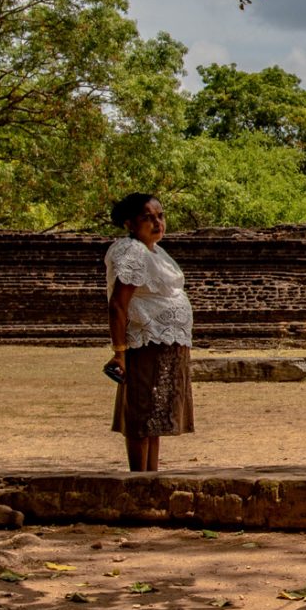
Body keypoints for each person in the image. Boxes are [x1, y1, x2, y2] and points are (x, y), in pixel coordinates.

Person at [104, 192, 194, 471]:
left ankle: (150, 479)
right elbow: (118, 304)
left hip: (166, 343)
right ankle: (138, 481)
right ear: (130, 224)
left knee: (155, 419)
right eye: (148, 218)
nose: (157, 222)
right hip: (145, 342)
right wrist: (119, 353)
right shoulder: (131, 251)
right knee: (141, 416)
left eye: (160, 216)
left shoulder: (155, 251)